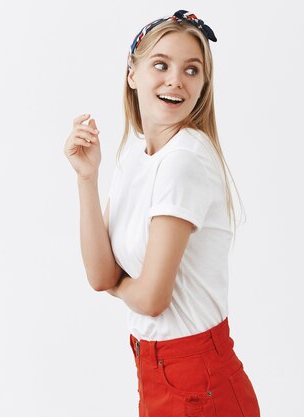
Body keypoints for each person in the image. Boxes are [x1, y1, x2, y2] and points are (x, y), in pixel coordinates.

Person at [63, 9, 260, 417]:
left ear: (204, 85)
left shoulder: (184, 161)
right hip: (157, 372)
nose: (175, 79)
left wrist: (120, 287)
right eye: (161, 64)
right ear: (132, 73)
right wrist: (87, 177)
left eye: (192, 70)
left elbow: (151, 297)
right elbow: (100, 275)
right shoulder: (137, 154)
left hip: (197, 381)